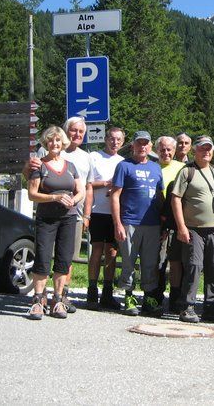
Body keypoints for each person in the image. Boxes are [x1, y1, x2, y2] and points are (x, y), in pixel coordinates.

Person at [25, 116, 94, 313]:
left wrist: (74, 199)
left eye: (57, 140)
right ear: (46, 143)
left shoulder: (70, 166)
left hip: (69, 218)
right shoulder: (40, 165)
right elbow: (32, 194)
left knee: (64, 260)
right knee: (43, 258)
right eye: (50, 140)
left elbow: (81, 190)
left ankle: (58, 299)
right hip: (46, 218)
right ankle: (38, 300)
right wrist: (55, 198)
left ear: (62, 142)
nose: (54, 144)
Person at [170, 135, 214, 323]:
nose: (206, 151)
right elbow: (176, 199)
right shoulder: (187, 172)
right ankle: (187, 307)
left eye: (209, 148)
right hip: (193, 228)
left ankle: (212, 308)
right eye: (203, 148)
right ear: (195, 150)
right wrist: (181, 227)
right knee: (194, 267)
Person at [111, 131, 165, 317]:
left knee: (150, 263)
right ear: (133, 145)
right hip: (129, 222)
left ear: (150, 146)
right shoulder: (124, 166)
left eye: (145, 143)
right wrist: (118, 223)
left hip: (152, 223)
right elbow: (115, 195)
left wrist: (163, 222)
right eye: (139, 143)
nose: (142, 146)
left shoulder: (156, 168)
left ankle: (148, 299)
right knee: (128, 262)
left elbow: (160, 197)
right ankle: (129, 296)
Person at [83, 127, 125, 310]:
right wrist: (107, 183)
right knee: (97, 250)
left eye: (118, 140)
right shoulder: (94, 157)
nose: (115, 142)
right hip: (97, 211)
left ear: (122, 142)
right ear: (106, 139)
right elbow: (87, 183)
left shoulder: (123, 161)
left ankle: (108, 292)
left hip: (115, 214)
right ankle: (92, 290)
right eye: (112, 138)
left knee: (112, 252)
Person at [156, 135, 186, 313]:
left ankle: (175, 298)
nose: (166, 152)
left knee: (177, 261)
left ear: (174, 151)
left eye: (169, 149)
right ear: (157, 150)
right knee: (158, 261)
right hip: (156, 220)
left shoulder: (182, 168)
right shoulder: (152, 167)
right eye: (162, 149)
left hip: (177, 221)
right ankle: (156, 296)